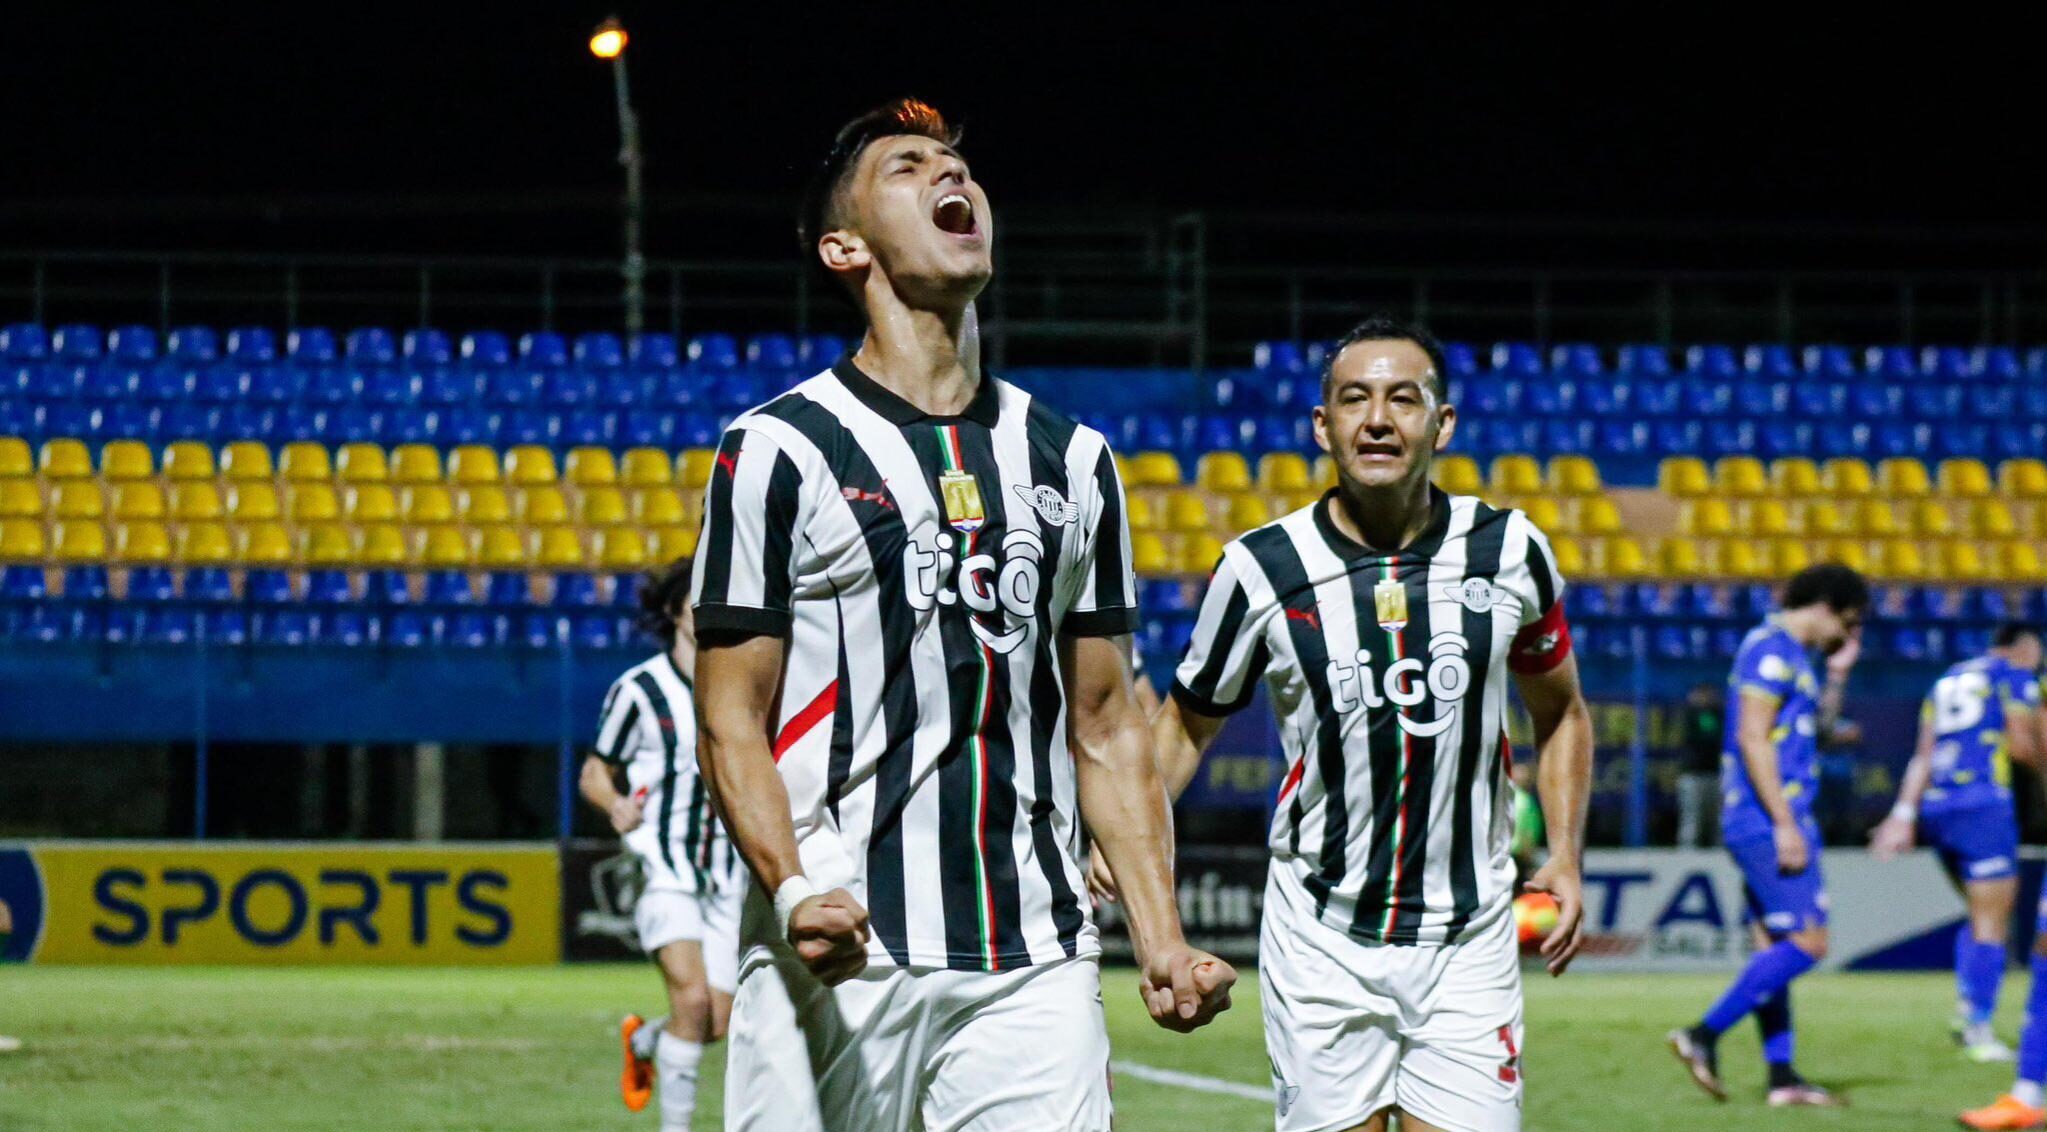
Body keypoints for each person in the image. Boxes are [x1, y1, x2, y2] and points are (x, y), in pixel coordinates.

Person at [691, 98, 1233, 1132]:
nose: (952, 175)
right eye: (907, 165)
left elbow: (1110, 723)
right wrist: (795, 885)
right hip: (843, 941)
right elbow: (730, 720)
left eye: (957, 164)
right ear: (842, 246)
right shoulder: (778, 449)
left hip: (1032, 952)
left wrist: (1158, 936)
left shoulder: (1073, 460)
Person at [1141, 316, 1594, 1132]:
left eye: (1403, 399)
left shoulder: (1510, 551)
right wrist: (1129, 863)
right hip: (1320, 935)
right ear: (1323, 425)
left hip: (1467, 932)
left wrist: (1564, 855)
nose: (1378, 419)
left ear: (1441, 423)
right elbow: (1180, 728)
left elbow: (1560, 712)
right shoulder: (1260, 568)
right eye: (1354, 399)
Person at [1668, 563, 1869, 1107]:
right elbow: (1752, 738)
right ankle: (1702, 1035)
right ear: (1826, 605)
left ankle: (1782, 1079)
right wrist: (1784, 823)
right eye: (1848, 624)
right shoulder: (1770, 650)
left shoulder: (1795, 659)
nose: (1847, 636)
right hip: (1767, 818)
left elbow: (1811, 734)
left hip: (1770, 816)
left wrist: (1839, 676)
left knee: (1775, 947)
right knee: (1810, 942)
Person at [580, 559, 741, 1132]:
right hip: (661, 865)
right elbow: (595, 771)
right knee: (693, 1003)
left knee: (716, 1021)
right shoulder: (639, 688)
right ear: (675, 611)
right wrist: (615, 804)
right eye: (697, 600)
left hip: (727, 873)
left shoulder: (741, 683)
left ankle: (645, 1038)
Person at [1873, 623, 2042, 1065]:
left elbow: (1923, 755)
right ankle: (1979, 1028)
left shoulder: (1946, 680)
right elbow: (2023, 746)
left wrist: (1902, 815)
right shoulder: (2015, 676)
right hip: (1983, 804)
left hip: (1936, 807)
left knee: (1979, 911)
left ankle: (1969, 1009)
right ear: (2024, 648)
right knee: (1993, 920)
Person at [1677, 683, 1725, 848]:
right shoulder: (1691, 714)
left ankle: (1718, 854)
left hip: (1715, 774)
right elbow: (1703, 737)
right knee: (1692, 820)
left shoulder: (1719, 714)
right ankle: (1686, 854)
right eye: (1702, 694)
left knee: (1717, 821)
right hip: (1693, 774)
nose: (1707, 698)